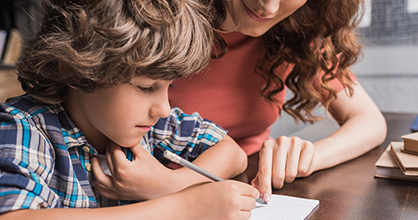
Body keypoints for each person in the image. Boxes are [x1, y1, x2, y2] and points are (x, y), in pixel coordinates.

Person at [0, 0, 259, 219]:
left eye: (168, 87)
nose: (164, 108)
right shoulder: (23, 128)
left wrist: (170, 185)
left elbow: (232, 153)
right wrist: (180, 206)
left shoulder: (154, 125)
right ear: (79, 71)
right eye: (146, 87)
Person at [169, 0, 387, 202]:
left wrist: (306, 157)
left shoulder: (296, 28)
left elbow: (369, 121)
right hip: (162, 194)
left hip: (248, 187)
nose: (269, 8)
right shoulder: (156, 23)